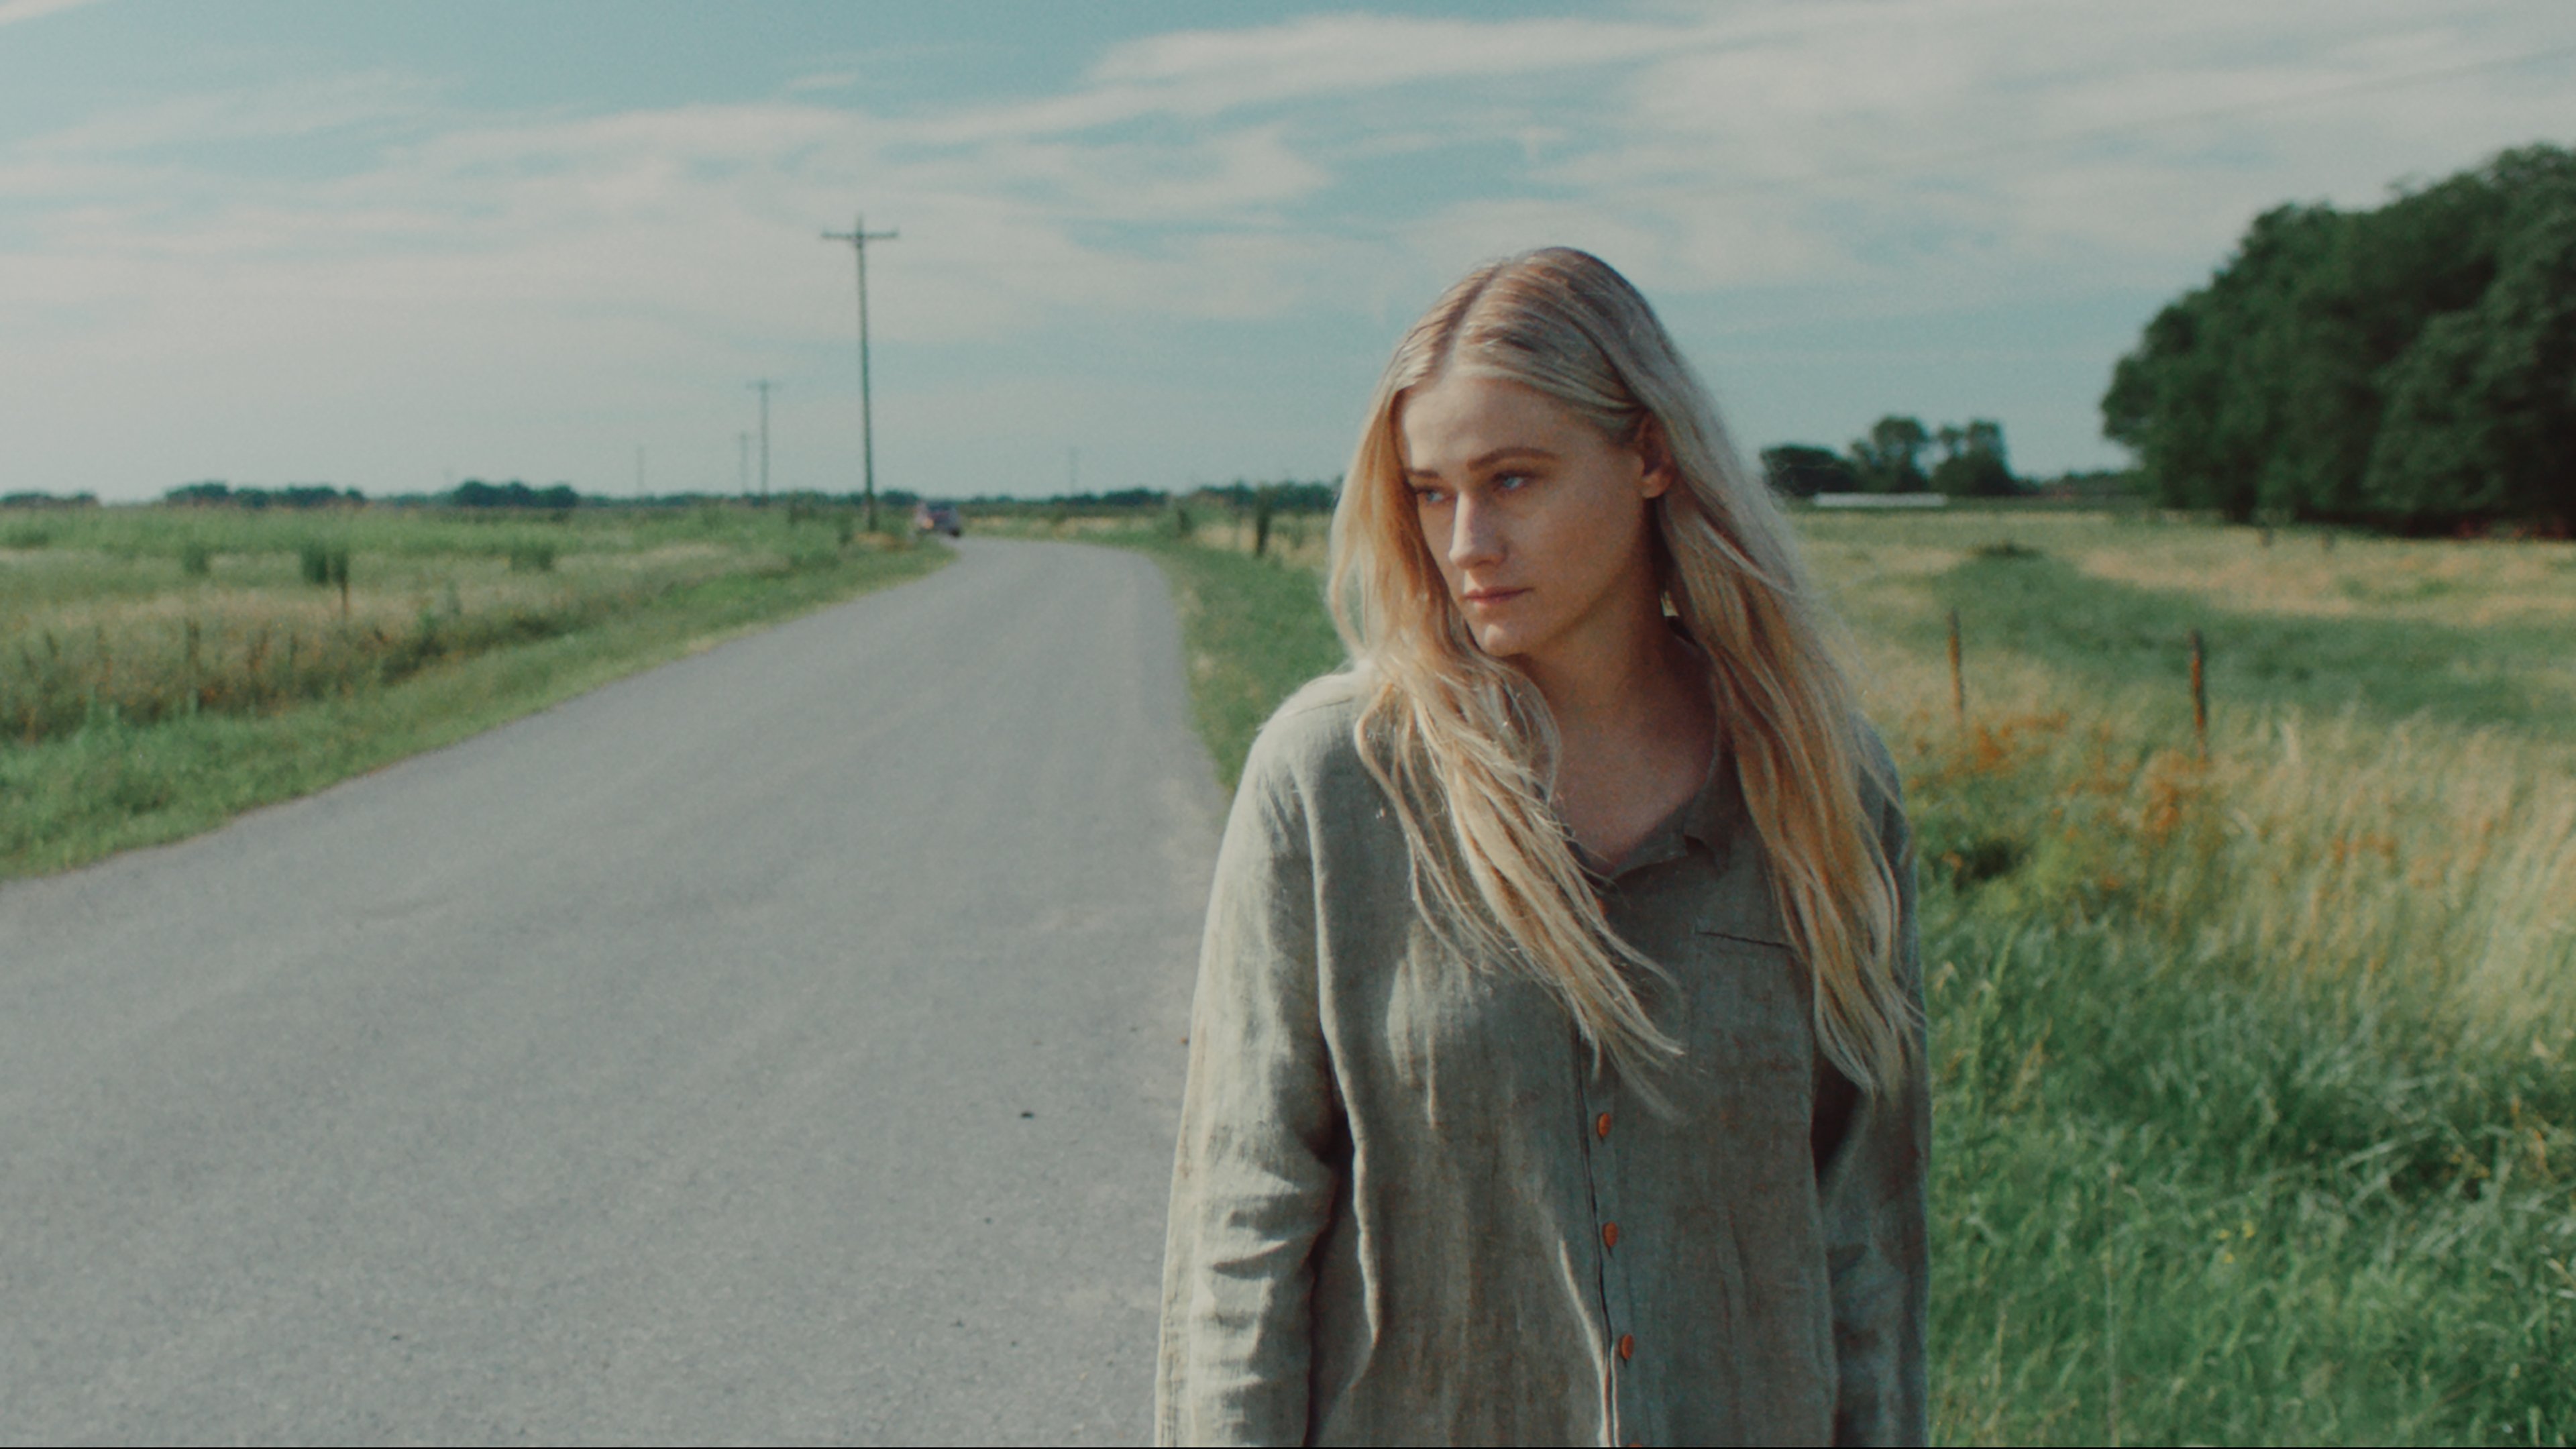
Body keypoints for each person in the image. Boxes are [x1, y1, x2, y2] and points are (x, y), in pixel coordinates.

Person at [1154, 247, 1927, 1447]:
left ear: (1650, 455)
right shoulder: (1334, 782)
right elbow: (1245, 1215)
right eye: (1430, 492)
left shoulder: (1819, 787)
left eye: (1513, 479)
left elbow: (1865, 1232)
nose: (1467, 540)